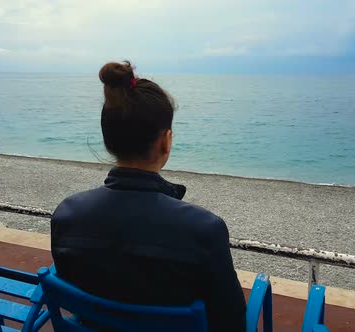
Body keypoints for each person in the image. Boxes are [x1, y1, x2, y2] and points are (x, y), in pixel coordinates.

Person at [51, 61, 246, 331]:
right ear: (166, 141)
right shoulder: (204, 230)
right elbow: (231, 322)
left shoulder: (67, 214)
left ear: (108, 139)